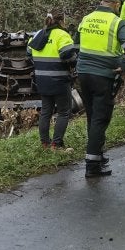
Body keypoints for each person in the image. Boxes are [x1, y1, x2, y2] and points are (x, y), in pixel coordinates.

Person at [74, 0, 125, 179]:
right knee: (101, 118)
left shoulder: (86, 19)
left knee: (92, 116)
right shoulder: (116, 22)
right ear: (116, 4)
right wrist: (123, 65)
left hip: (83, 74)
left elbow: (75, 46)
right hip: (103, 76)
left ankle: (97, 154)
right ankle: (92, 165)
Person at [29, 11, 76, 150]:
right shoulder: (62, 35)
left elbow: (28, 53)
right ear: (62, 21)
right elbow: (69, 56)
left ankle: (45, 143)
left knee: (45, 111)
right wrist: (73, 64)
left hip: (42, 80)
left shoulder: (38, 34)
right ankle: (57, 144)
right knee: (63, 112)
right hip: (59, 80)